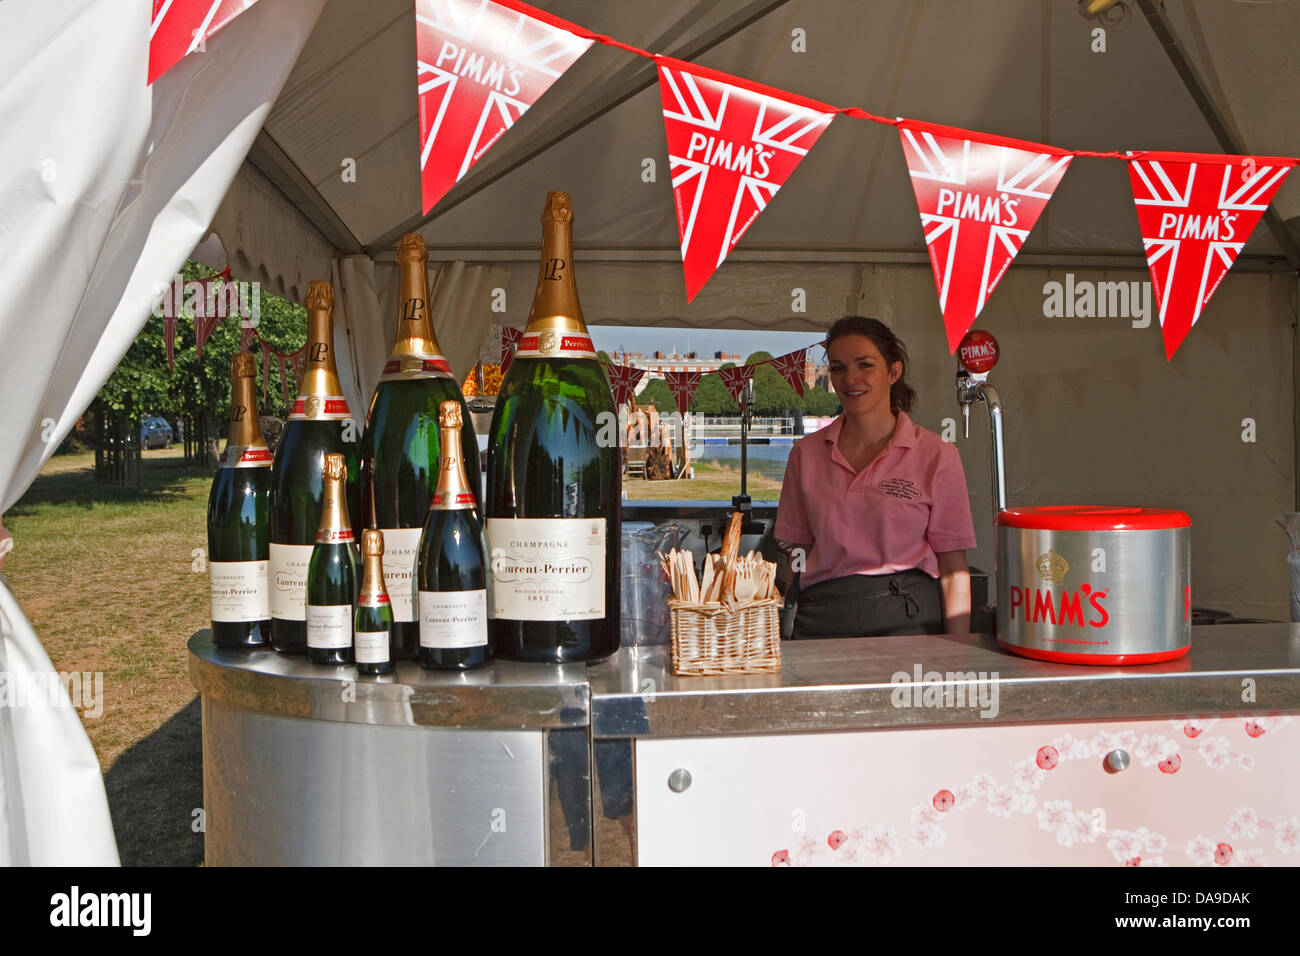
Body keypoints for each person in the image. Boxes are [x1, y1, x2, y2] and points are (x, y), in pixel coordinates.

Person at [775, 316, 976, 638]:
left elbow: (953, 570)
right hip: (822, 624)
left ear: (893, 372)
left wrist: (958, 654)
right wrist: (788, 625)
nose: (850, 379)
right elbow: (796, 554)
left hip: (907, 623)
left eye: (865, 365)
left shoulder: (937, 454)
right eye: (838, 368)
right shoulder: (805, 454)